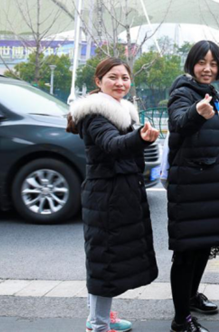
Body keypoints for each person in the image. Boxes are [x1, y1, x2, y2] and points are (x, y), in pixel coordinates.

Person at [67, 58, 160, 332]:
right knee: (104, 263)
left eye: (125, 78)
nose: (120, 83)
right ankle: (98, 324)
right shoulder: (95, 114)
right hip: (106, 197)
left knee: (107, 260)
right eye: (113, 77)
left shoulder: (119, 110)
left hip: (115, 195)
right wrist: (140, 138)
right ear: (99, 81)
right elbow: (112, 144)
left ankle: (102, 317)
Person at [166, 40, 219, 332]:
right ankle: (181, 319)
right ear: (191, 64)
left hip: (214, 183)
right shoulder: (183, 92)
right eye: (201, 62)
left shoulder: (215, 96)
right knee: (187, 252)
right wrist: (197, 112)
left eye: (213, 63)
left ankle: (191, 296)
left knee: (203, 246)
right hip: (192, 185)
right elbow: (178, 123)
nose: (207, 68)